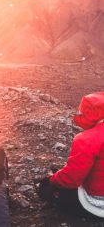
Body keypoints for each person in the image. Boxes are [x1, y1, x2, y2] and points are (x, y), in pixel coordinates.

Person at [38, 92, 104, 220]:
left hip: (99, 202)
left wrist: (51, 179)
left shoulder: (87, 139)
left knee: (49, 187)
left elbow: (71, 180)